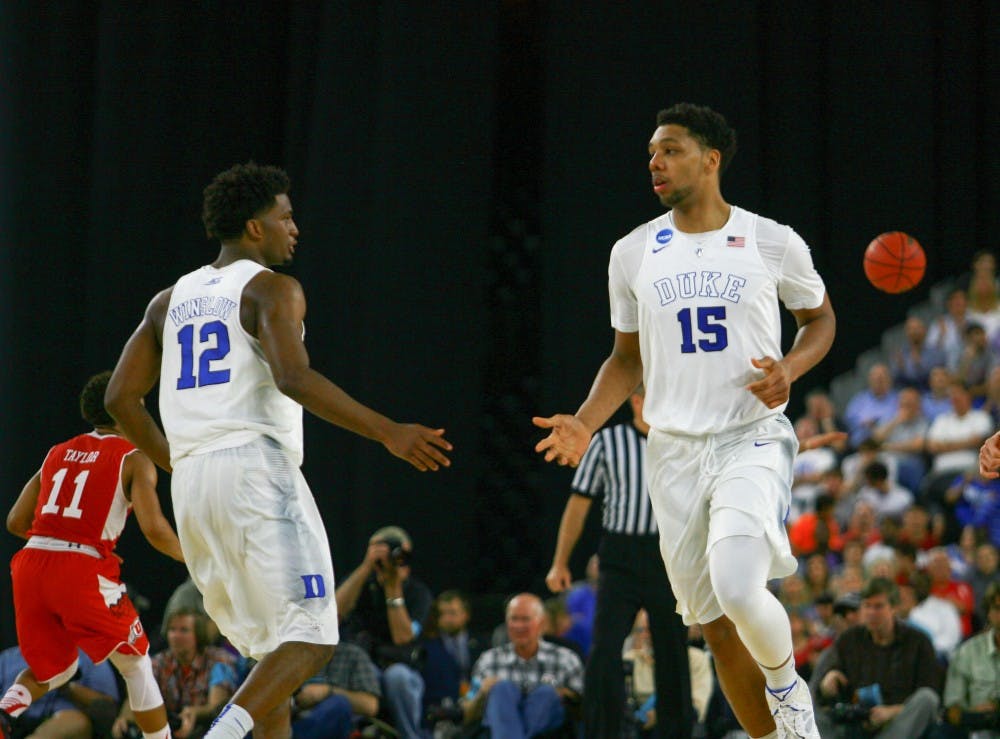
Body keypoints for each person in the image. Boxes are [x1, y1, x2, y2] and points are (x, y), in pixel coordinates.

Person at [103, 162, 453, 739]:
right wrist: (389, 430)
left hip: (193, 484)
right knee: (314, 635)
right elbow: (293, 377)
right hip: (253, 471)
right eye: (285, 217)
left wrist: (175, 461)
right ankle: (222, 733)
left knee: (271, 656)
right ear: (254, 226)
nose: (296, 228)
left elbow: (120, 398)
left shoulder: (168, 301)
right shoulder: (272, 288)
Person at [533, 103, 835, 739]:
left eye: (669, 149)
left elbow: (821, 320)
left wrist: (792, 368)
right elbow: (625, 358)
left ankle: (790, 694)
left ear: (710, 158)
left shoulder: (771, 239)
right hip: (671, 452)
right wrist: (586, 423)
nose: (655, 162)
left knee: (737, 584)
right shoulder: (633, 251)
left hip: (748, 434)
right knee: (716, 628)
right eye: (650, 153)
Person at [1, 371, 184, 739]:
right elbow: (155, 530)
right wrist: (199, 559)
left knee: (53, 671)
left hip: (31, 561)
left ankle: (5, 713)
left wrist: (55, 544)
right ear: (124, 409)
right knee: (135, 663)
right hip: (80, 566)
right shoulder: (134, 459)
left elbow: (16, 520)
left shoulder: (56, 452)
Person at [545, 388, 694, 738]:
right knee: (605, 649)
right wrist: (560, 562)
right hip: (620, 554)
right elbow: (579, 503)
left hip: (667, 555)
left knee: (672, 648)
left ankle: (678, 733)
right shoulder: (607, 441)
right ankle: (603, 732)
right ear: (636, 400)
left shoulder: (682, 442)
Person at [812, 577, 942, 739]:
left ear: (894, 608)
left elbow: (931, 694)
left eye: (879, 607)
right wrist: (827, 683)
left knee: (927, 698)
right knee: (809, 704)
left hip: (898, 723)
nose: (871, 613)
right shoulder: (849, 639)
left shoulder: (918, 641)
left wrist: (892, 712)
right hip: (856, 725)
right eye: (867, 606)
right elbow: (823, 696)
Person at [335, 526, 433, 739]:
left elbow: (403, 637)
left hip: (398, 668)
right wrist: (365, 568)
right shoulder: (360, 585)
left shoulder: (418, 593)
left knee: (398, 677)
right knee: (354, 670)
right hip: (361, 665)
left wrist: (393, 587)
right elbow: (334, 615)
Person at [459, 594, 583, 738]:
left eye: (525, 619)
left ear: (541, 623)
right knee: (501, 690)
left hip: (551, 733)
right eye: (514, 619)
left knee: (546, 694)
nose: (518, 626)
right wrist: (482, 694)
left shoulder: (566, 659)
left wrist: (567, 694)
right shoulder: (488, 661)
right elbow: (467, 713)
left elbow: (585, 711)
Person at [113, 609, 239, 739]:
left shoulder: (218, 660)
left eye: (184, 630)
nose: (176, 636)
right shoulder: (159, 662)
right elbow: (139, 691)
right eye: (172, 630)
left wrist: (194, 713)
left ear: (198, 635)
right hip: (169, 726)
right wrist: (125, 718)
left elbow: (216, 707)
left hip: (205, 727)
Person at [0, 646, 119, 739]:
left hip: (60, 723)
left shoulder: (89, 657)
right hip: (11, 720)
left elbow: (109, 707)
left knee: (75, 722)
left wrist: (67, 687)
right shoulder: (9, 657)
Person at [941, 582, 1000, 738]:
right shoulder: (967, 652)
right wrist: (979, 716)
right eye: (998, 609)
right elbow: (952, 710)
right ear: (989, 613)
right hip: (975, 729)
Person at [291, 641, 381, 739]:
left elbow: (370, 705)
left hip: (334, 724)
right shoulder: (290, 654)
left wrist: (328, 691)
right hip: (293, 718)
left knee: (340, 703)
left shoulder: (353, 654)